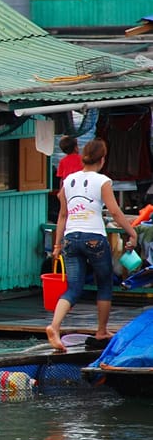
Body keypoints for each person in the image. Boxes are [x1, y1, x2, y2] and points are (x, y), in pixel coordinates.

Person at [46, 138, 137, 353]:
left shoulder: (68, 180)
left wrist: (57, 244)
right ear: (102, 159)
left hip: (70, 238)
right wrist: (131, 232)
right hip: (94, 237)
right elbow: (114, 212)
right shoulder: (103, 181)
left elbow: (62, 215)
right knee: (104, 284)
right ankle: (102, 331)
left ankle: (54, 326)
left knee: (74, 288)